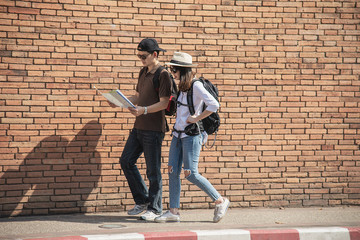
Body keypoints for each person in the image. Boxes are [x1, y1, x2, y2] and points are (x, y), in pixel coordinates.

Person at [155, 52, 230, 223]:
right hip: (177, 134)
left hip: (191, 136)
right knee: (172, 171)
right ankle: (173, 211)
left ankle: (220, 200)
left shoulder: (196, 86)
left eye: (174, 70)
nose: (172, 73)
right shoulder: (183, 86)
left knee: (190, 173)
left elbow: (214, 104)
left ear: (183, 70)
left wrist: (196, 118)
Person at [118, 39, 172, 221]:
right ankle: (142, 200)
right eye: (138, 55)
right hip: (139, 127)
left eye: (143, 56)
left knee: (153, 170)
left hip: (153, 130)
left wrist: (144, 110)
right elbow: (139, 96)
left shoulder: (163, 74)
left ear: (155, 55)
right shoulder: (143, 72)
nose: (140, 58)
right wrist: (119, 101)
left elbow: (165, 103)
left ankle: (155, 208)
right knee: (126, 161)